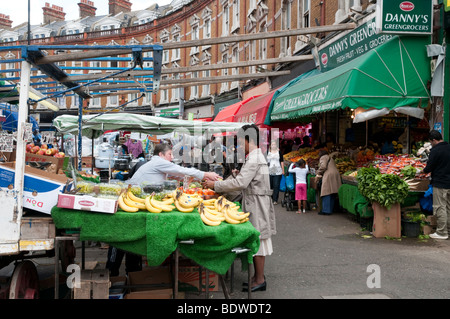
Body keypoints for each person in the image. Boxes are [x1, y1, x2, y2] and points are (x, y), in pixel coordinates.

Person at [202, 124, 276, 292]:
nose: (240, 145)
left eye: (241, 141)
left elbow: (241, 183)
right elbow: (243, 180)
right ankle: (257, 277)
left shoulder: (255, 158)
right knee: (257, 239)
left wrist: (216, 185)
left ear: (249, 140)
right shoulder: (255, 156)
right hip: (256, 201)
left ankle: (259, 279)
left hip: (257, 203)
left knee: (258, 240)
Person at [127, 143, 220, 185]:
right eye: (169, 154)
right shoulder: (159, 162)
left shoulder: (157, 163)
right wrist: (206, 174)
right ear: (161, 154)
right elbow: (181, 170)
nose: (172, 157)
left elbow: (178, 176)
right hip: (135, 193)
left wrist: (202, 179)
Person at [423, 130, 450, 240]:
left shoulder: (436, 150)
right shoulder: (449, 147)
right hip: (449, 182)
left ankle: (442, 232)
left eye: (431, 142)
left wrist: (423, 171)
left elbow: (429, 168)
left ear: (433, 140)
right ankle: (448, 229)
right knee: (448, 207)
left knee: (440, 207)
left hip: (440, 182)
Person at [316, 149, 342, 215]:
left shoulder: (323, 157)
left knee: (326, 192)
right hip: (335, 174)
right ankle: (331, 209)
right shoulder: (330, 158)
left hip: (328, 175)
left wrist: (318, 172)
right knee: (332, 193)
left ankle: (326, 210)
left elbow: (323, 166)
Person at [267, 140, 284, 205]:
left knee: (276, 185)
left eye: (274, 144)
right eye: (272, 144)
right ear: (270, 145)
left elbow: (282, 161)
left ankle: (275, 199)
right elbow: (266, 161)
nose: (273, 146)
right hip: (270, 171)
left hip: (278, 171)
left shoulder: (279, 152)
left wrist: (283, 170)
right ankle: (270, 198)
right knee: (270, 186)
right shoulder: (268, 152)